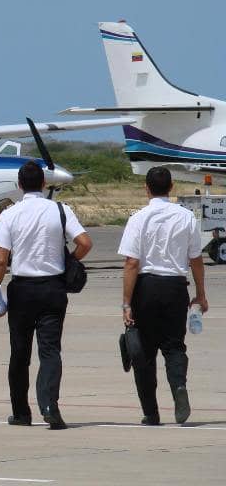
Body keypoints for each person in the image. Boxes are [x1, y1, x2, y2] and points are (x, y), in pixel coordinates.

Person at [0, 161, 92, 430]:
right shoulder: (60, 210)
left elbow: (0, 260)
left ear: (19, 185)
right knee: (50, 351)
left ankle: (21, 413)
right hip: (53, 289)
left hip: (22, 290)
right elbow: (85, 243)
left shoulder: (10, 214)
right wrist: (68, 261)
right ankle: (49, 405)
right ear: (44, 184)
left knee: (20, 354)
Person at [118, 167, 208, 425]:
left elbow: (131, 263)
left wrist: (126, 302)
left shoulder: (138, 218)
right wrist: (200, 295)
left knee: (144, 352)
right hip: (175, 288)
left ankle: (151, 412)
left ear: (146, 189)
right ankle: (179, 386)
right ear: (171, 189)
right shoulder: (186, 217)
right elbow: (196, 260)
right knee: (174, 346)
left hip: (145, 287)